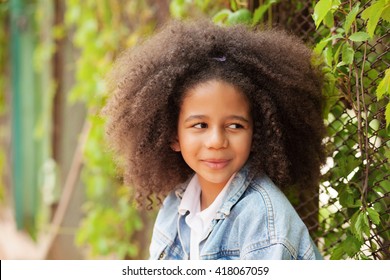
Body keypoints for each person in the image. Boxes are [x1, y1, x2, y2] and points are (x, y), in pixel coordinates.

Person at [104, 20, 326, 260]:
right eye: (200, 125)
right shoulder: (175, 207)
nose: (217, 141)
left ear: (258, 134)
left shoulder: (262, 219)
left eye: (234, 126)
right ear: (172, 135)